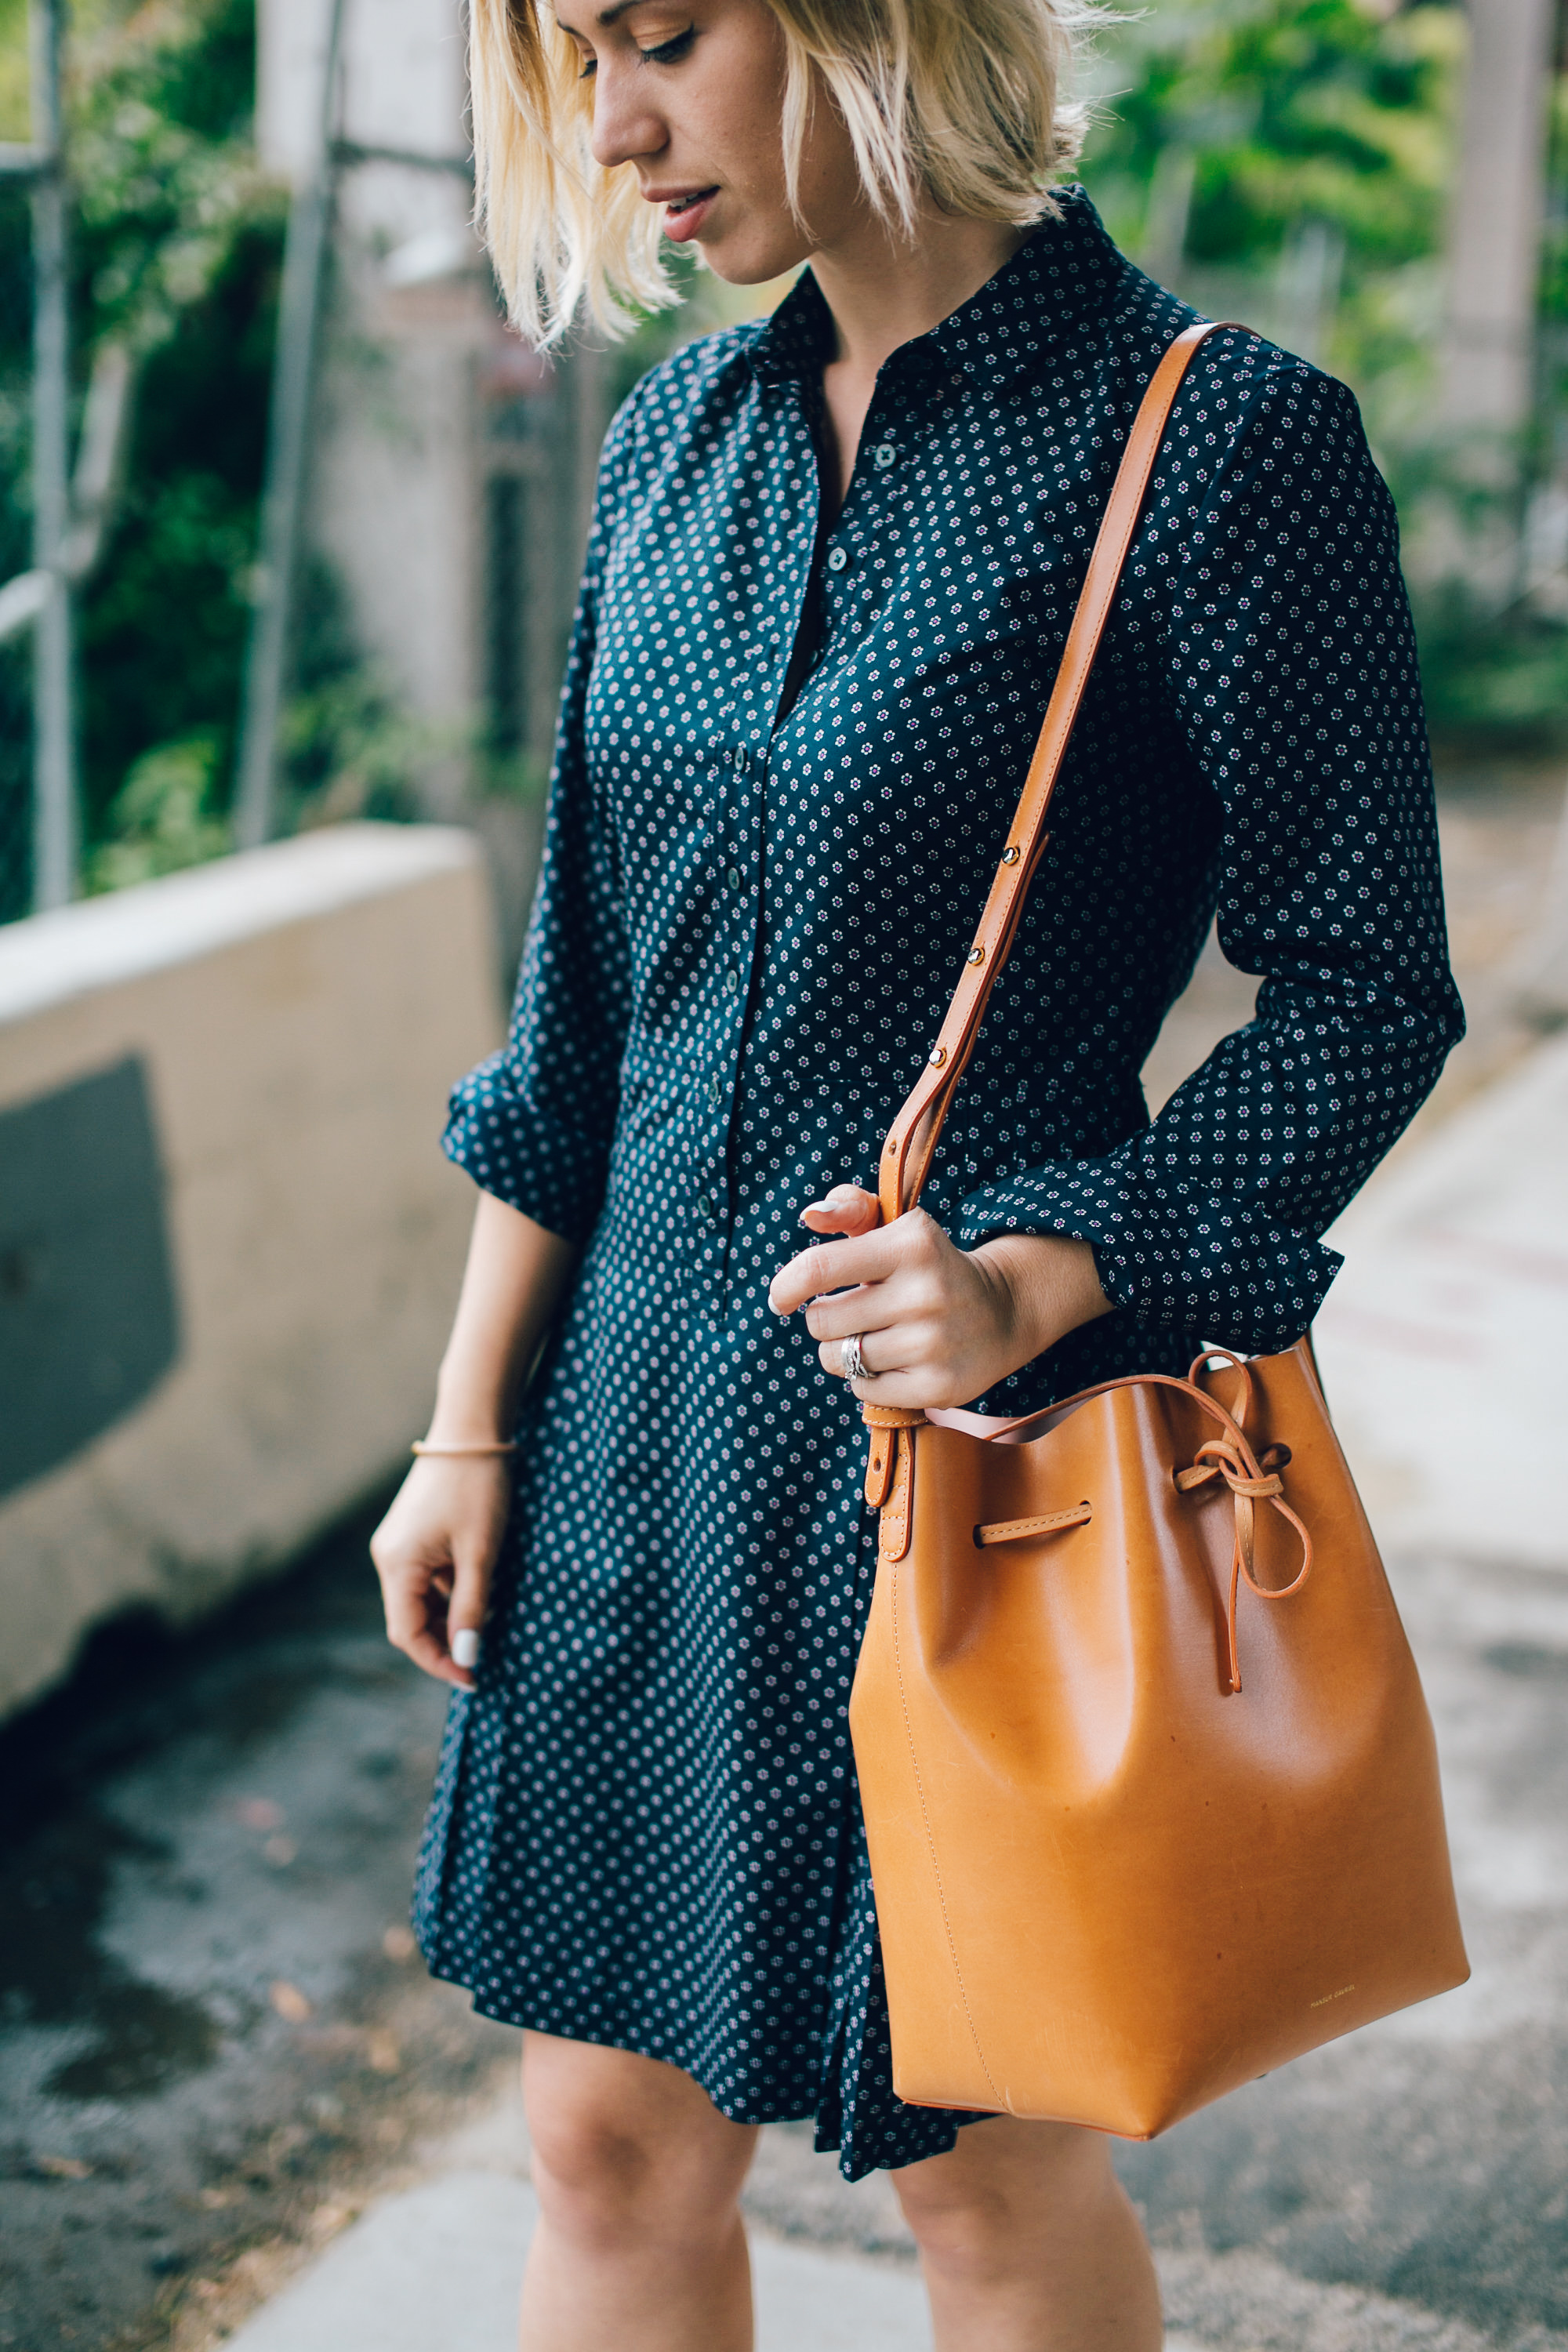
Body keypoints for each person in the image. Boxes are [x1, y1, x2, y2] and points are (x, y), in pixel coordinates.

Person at [369, 1, 1464, 2343]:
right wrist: (470, 1422)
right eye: (576, 66)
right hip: (633, 1430)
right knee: (602, 2138)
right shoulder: (676, 442)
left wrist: (1052, 1266)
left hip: (958, 1467)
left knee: (975, 2182)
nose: (619, 123)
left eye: (660, 36)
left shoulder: (1220, 445)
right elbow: (578, 1005)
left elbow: (1370, 987)